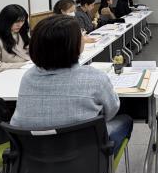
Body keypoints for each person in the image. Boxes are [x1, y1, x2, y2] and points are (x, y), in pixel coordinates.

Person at [10, 15, 132, 154]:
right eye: (81, 35)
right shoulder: (95, 77)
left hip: (34, 157)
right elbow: (111, 111)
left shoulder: (27, 77)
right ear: (75, 45)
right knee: (126, 120)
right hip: (84, 156)